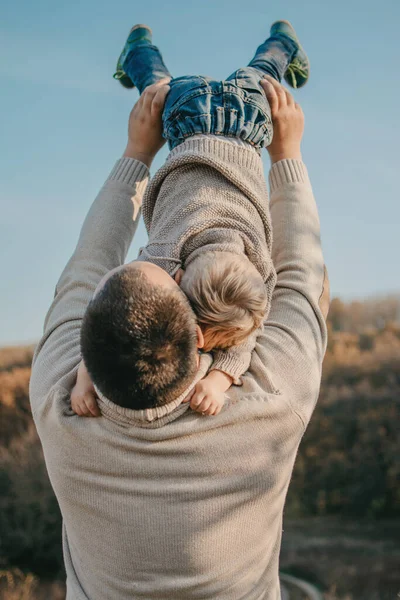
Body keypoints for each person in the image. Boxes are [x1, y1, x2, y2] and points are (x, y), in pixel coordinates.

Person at [30, 34, 329, 600]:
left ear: (85, 353)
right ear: (196, 333)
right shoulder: (269, 402)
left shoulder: (59, 400)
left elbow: (85, 264)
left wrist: (137, 156)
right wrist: (285, 156)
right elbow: (305, 282)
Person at [71, 21, 312, 417]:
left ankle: (282, 41)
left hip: (249, 121)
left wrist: (217, 377)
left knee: (265, 72)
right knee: (155, 88)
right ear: (176, 281)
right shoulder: (165, 258)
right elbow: (113, 311)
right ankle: (138, 53)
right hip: (185, 118)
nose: (204, 347)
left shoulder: (259, 275)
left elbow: (117, 315)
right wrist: (86, 376)